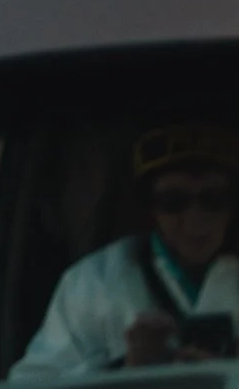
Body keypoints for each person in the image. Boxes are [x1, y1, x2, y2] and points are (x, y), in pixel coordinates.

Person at [13, 124, 239, 379]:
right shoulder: (94, 282)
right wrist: (126, 371)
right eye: (174, 202)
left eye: (214, 200)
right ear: (150, 209)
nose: (196, 219)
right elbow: (32, 381)